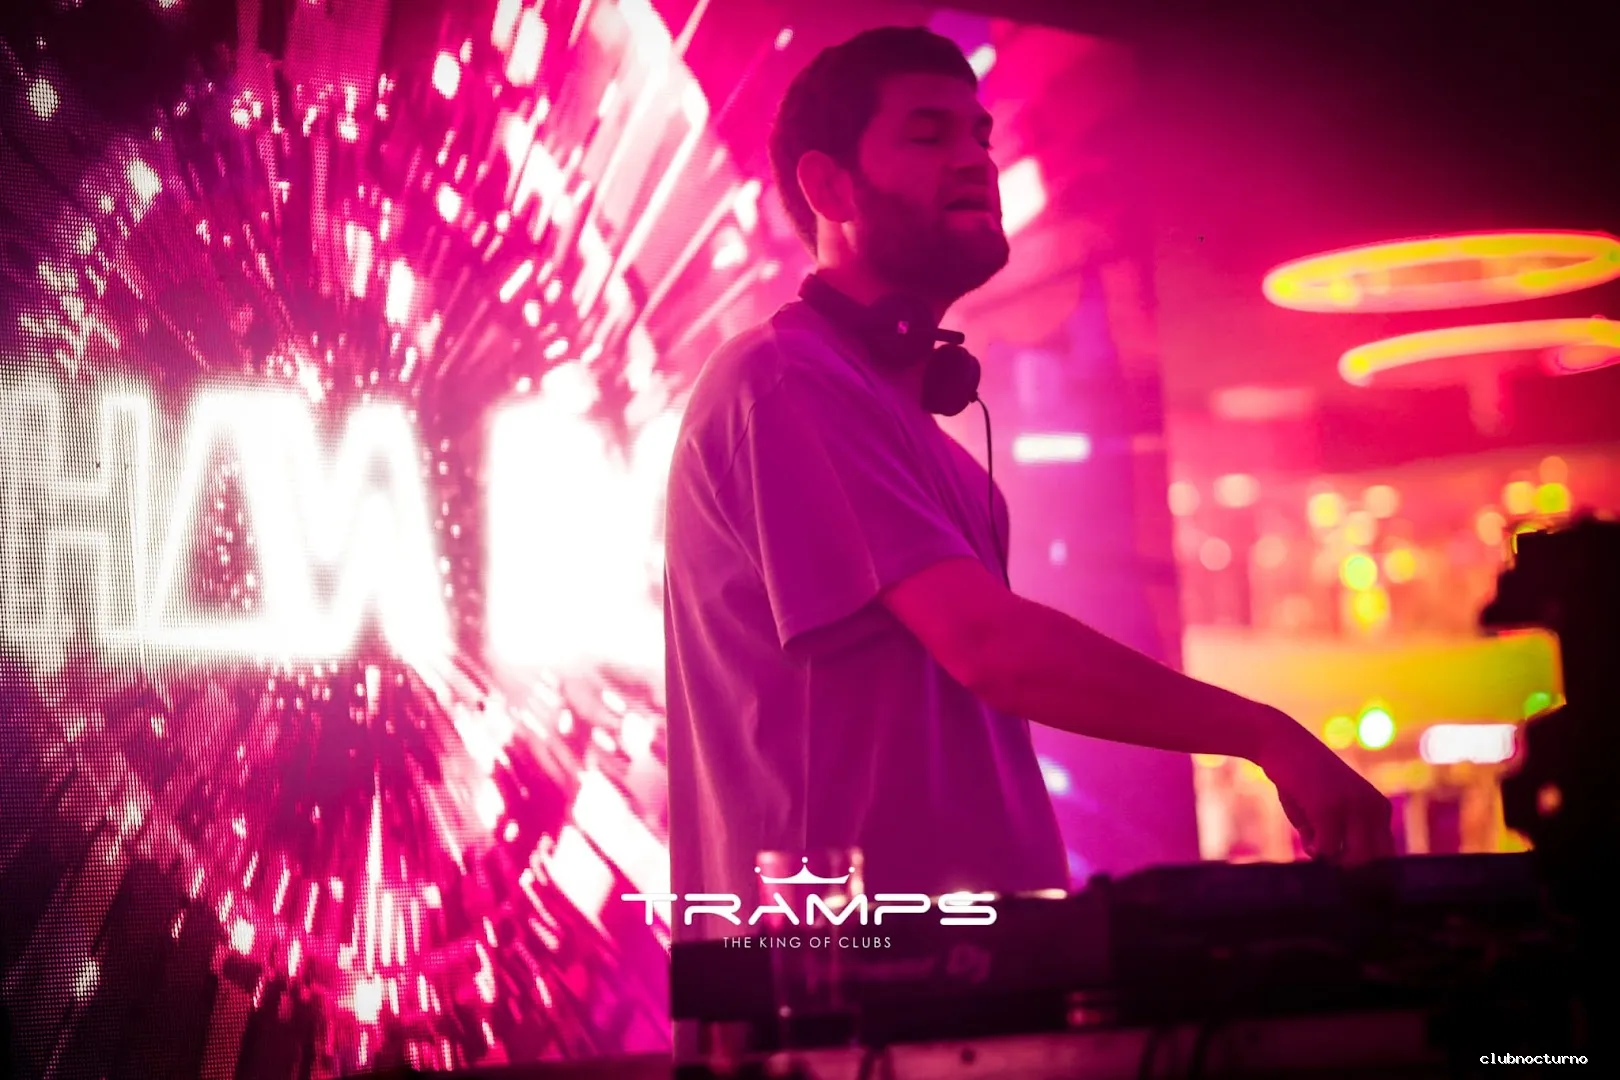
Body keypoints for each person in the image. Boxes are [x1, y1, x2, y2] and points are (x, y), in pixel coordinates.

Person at [661, 26, 1391, 935]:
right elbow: (992, 649)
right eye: (928, 134)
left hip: (956, 967)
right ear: (829, 187)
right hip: (838, 979)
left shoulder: (936, 453)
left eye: (980, 135)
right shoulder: (784, 381)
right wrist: (1264, 733)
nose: (975, 159)